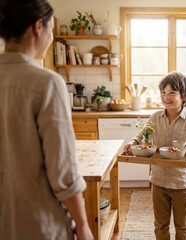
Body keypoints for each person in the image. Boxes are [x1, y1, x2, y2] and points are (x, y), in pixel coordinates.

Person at [0, 0, 93, 239]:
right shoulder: (46, 83)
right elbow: (63, 171)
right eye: (51, 30)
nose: (51, 38)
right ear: (37, 27)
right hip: (36, 222)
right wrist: (82, 226)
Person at [124, 72, 186, 240]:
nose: (166, 97)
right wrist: (132, 142)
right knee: (160, 225)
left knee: (183, 226)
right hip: (158, 181)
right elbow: (140, 137)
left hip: (182, 183)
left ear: (184, 96)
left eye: (172, 92)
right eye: (163, 92)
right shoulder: (155, 117)